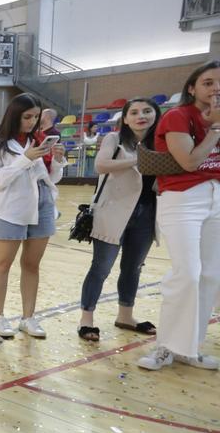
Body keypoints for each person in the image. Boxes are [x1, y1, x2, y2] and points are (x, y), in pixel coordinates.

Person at [137, 61, 220, 371]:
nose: (215, 88)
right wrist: (215, 129)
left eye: (219, 83)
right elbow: (189, 161)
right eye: (208, 82)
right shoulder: (178, 116)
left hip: (216, 196)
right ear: (192, 88)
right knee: (187, 273)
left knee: (211, 275)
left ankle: (189, 348)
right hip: (183, 197)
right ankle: (166, 347)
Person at [77, 99, 160, 342]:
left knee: (133, 268)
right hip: (113, 212)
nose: (140, 116)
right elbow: (101, 165)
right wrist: (138, 160)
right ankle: (86, 319)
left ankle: (125, 315)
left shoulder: (161, 142)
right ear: (125, 118)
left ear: (156, 115)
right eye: (133, 112)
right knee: (101, 267)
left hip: (146, 213)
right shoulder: (115, 139)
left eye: (146, 111)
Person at [0, 93, 66, 339]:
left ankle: (28, 318)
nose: (32, 122)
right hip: (10, 210)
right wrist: (24, 159)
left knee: (32, 265)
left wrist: (58, 162)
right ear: (15, 116)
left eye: (36, 117)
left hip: (42, 206)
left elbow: (51, 180)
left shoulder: (38, 142)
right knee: (3, 264)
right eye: (27, 117)